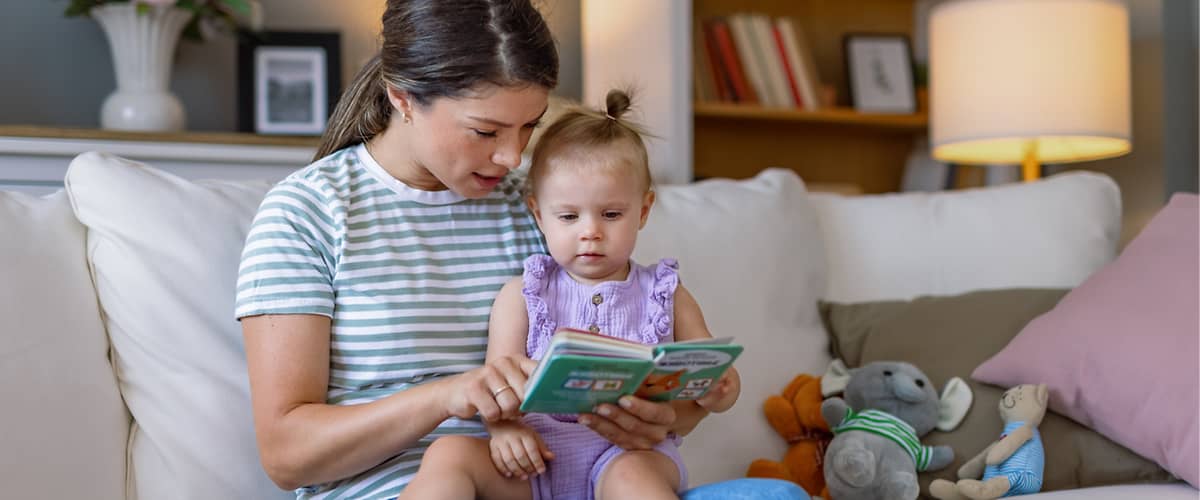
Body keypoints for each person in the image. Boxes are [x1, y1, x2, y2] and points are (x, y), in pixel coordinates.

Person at [236, 1, 810, 499]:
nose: (512, 158)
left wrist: (659, 419)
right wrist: (448, 396)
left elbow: (634, 348)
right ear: (403, 98)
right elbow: (288, 456)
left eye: (529, 127)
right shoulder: (309, 214)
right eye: (485, 132)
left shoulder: (545, 207)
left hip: (559, 477)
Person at [399, 90, 739, 500]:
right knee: (449, 453)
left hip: (626, 454)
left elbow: (706, 371)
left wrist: (720, 390)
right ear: (539, 215)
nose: (590, 231)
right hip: (535, 458)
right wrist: (505, 429)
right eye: (569, 216)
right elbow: (497, 381)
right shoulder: (523, 295)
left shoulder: (666, 292)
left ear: (644, 210)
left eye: (611, 214)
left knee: (634, 478)